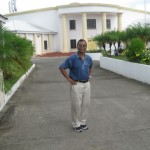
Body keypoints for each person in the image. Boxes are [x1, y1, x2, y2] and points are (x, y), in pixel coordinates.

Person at [59, 39, 93, 132]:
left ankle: (83, 122)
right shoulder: (72, 58)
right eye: (80, 45)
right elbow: (62, 67)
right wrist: (69, 79)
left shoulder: (89, 58)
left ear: (86, 47)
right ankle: (76, 124)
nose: (82, 47)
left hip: (87, 84)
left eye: (84, 46)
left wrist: (90, 75)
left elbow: (90, 66)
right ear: (77, 46)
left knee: (86, 104)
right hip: (76, 84)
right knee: (76, 105)